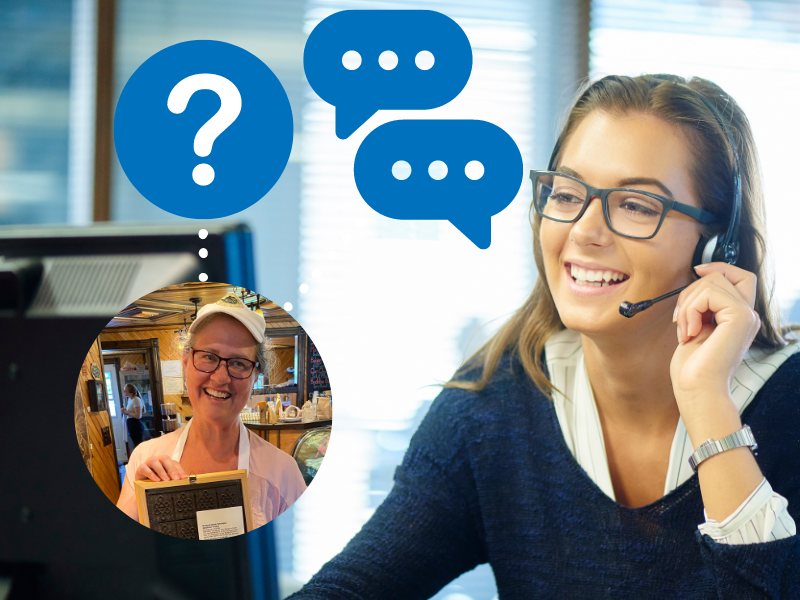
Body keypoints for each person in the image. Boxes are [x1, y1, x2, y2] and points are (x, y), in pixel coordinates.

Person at [289, 75, 800, 598]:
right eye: (567, 193)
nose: (584, 230)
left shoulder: (789, 406)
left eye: (637, 206)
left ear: (716, 248)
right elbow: (355, 586)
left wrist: (707, 404)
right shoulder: (500, 401)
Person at [116, 293, 307, 529]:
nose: (220, 377)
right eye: (208, 356)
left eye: (238, 362)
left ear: (255, 376)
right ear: (186, 362)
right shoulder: (143, 458)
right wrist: (142, 500)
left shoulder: (282, 473)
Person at [120, 383, 147, 455]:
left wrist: (127, 412)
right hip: (131, 425)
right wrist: (125, 412)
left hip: (136, 425)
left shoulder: (136, 400)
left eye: (125, 391)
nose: (124, 392)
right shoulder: (130, 399)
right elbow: (131, 412)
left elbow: (138, 415)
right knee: (136, 446)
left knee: (138, 446)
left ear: (131, 393)